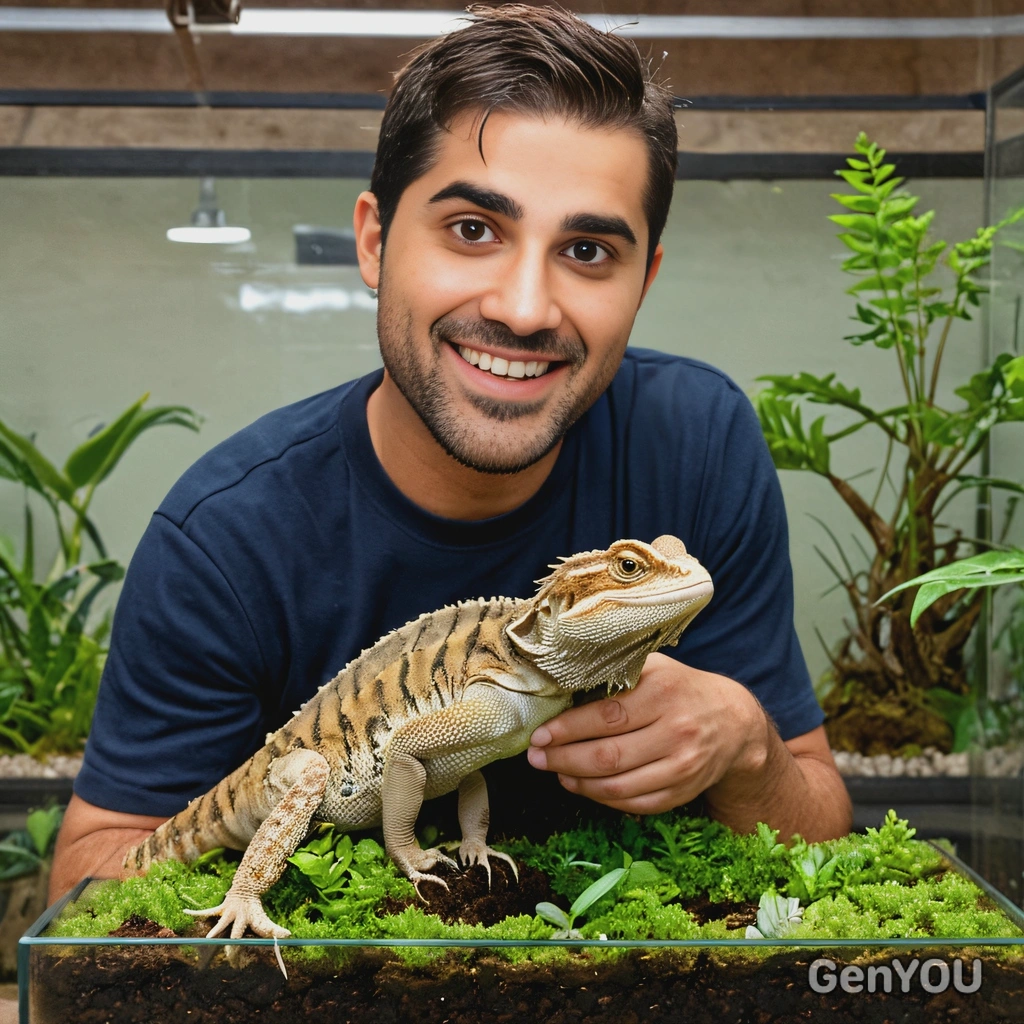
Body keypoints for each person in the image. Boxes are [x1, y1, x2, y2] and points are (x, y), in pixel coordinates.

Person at [50, 3, 851, 902]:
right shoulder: (224, 534)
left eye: (587, 250)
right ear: (375, 241)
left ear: (642, 283)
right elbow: (89, 887)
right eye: (473, 229)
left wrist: (745, 746)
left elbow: (824, 833)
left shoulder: (700, 440)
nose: (524, 307)